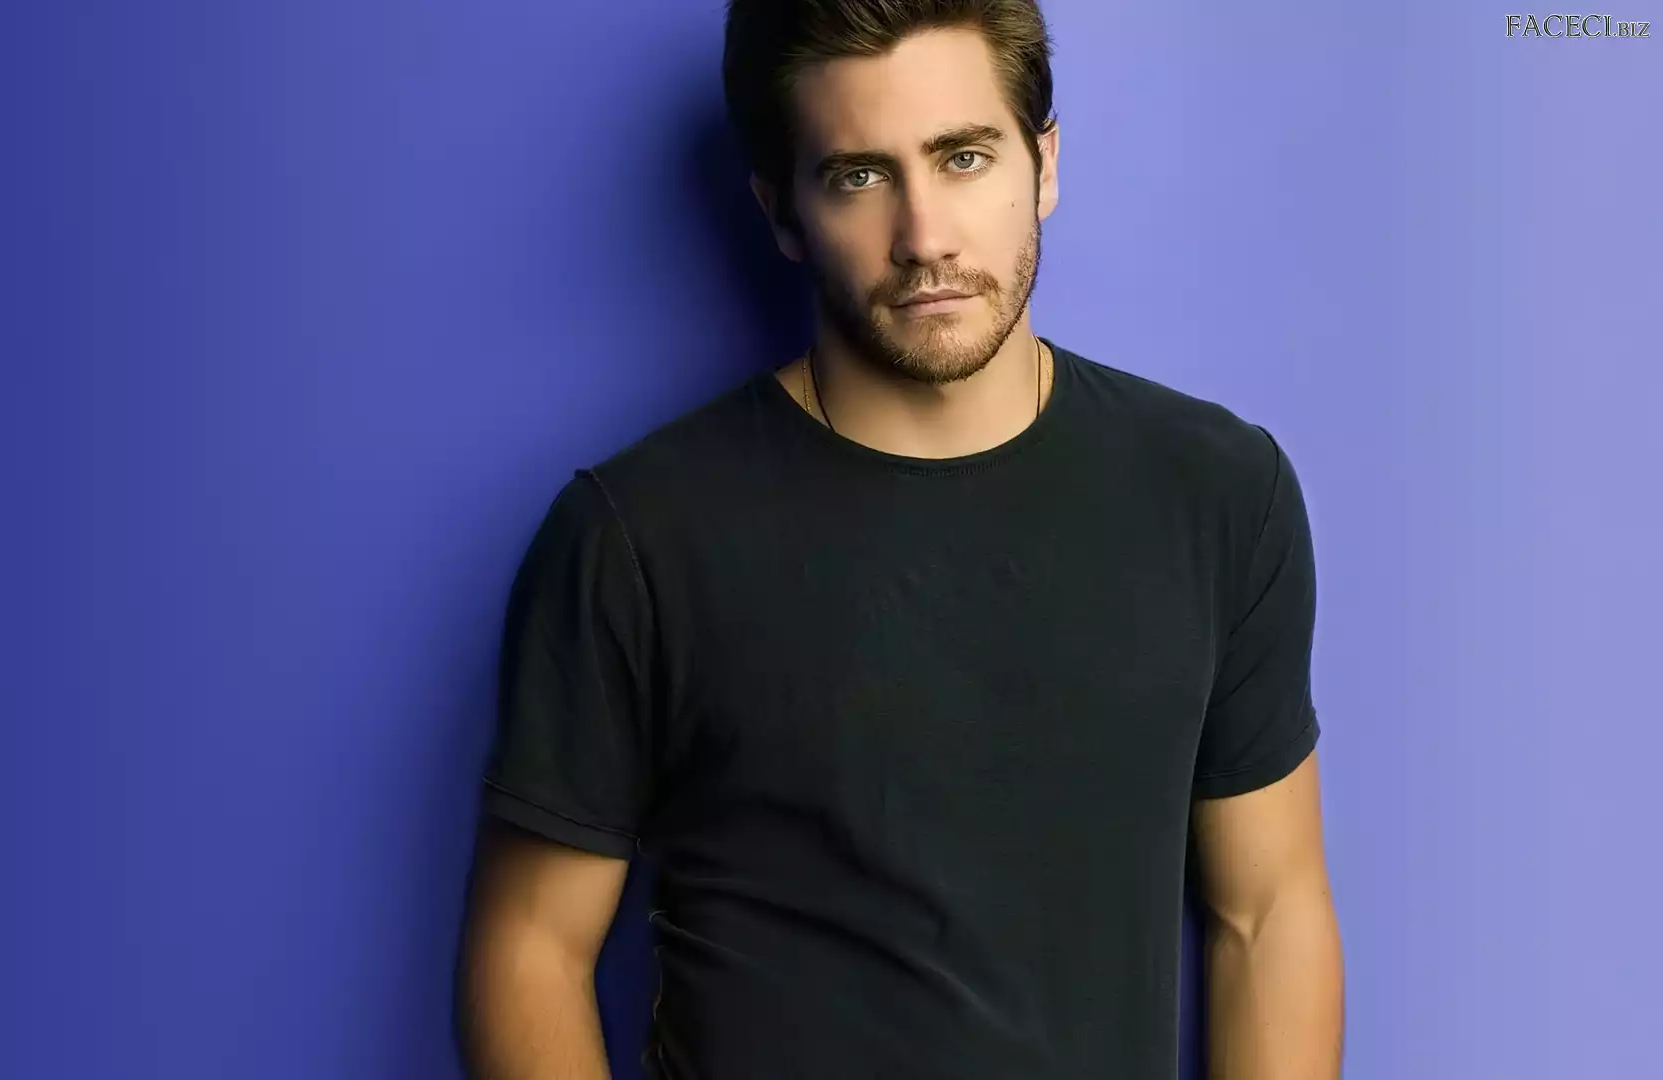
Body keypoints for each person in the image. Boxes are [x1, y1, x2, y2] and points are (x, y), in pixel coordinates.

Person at [456, 1, 1344, 1077]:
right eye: (859, 176)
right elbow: (531, 947)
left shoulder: (1218, 492)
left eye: (964, 158)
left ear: (1044, 165)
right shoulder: (634, 536)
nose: (925, 238)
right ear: (781, 212)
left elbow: (1268, 913)